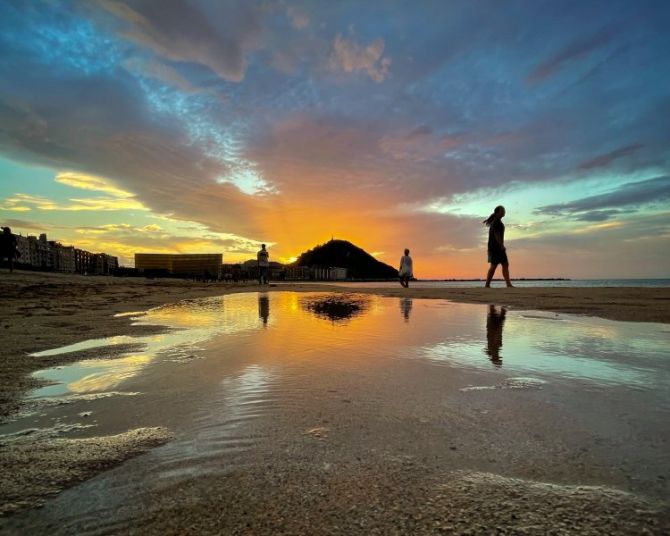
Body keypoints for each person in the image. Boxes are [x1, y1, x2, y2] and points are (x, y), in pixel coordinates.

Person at [483, 206, 513, 288]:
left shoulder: (497, 221)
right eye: (502, 211)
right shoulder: (496, 222)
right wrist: (501, 245)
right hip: (495, 247)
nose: (504, 212)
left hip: (496, 247)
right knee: (494, 266)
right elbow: (497, 235)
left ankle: (508, 284)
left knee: (505, 264)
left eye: (504, 211)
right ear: (497, 212)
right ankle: (487, 284)